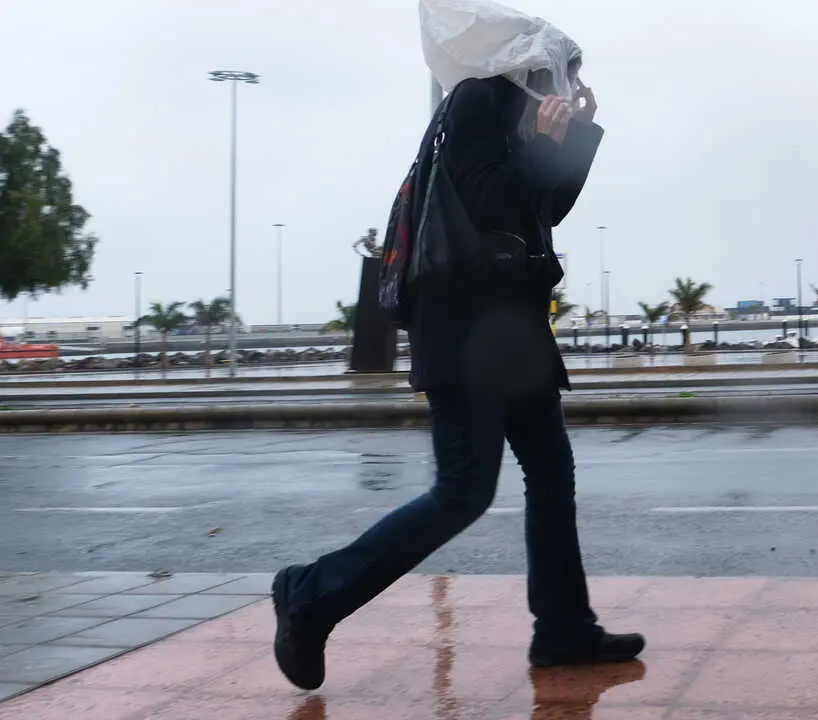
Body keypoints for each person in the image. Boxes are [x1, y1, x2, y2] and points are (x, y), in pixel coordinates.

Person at [269, 53, 644, 692]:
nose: (566, 84)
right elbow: (490, 198)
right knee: (464, 490)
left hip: (511, 331)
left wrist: (574, 134)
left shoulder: (518, 113)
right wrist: (548, 140)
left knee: (551, 471)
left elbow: (544, 208)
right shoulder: (477, 99)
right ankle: (310, 593)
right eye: (563, 72)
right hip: (465, 328)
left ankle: (563, 628)